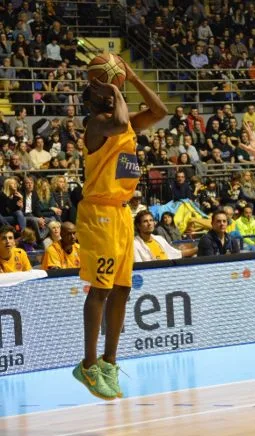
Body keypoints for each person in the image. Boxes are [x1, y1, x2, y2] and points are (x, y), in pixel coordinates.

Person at [73, 63, 168, 400]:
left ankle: (109, 362)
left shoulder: (126, 125)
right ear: (92, 100)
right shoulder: (97, 125)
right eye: (101, 90)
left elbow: (160, 110)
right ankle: (87, 365)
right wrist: (115, 89)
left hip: (122, 211)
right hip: (98, 211)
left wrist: (133, 77)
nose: (109, 94)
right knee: (99, 289)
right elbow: (117, 121)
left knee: (123, 289)